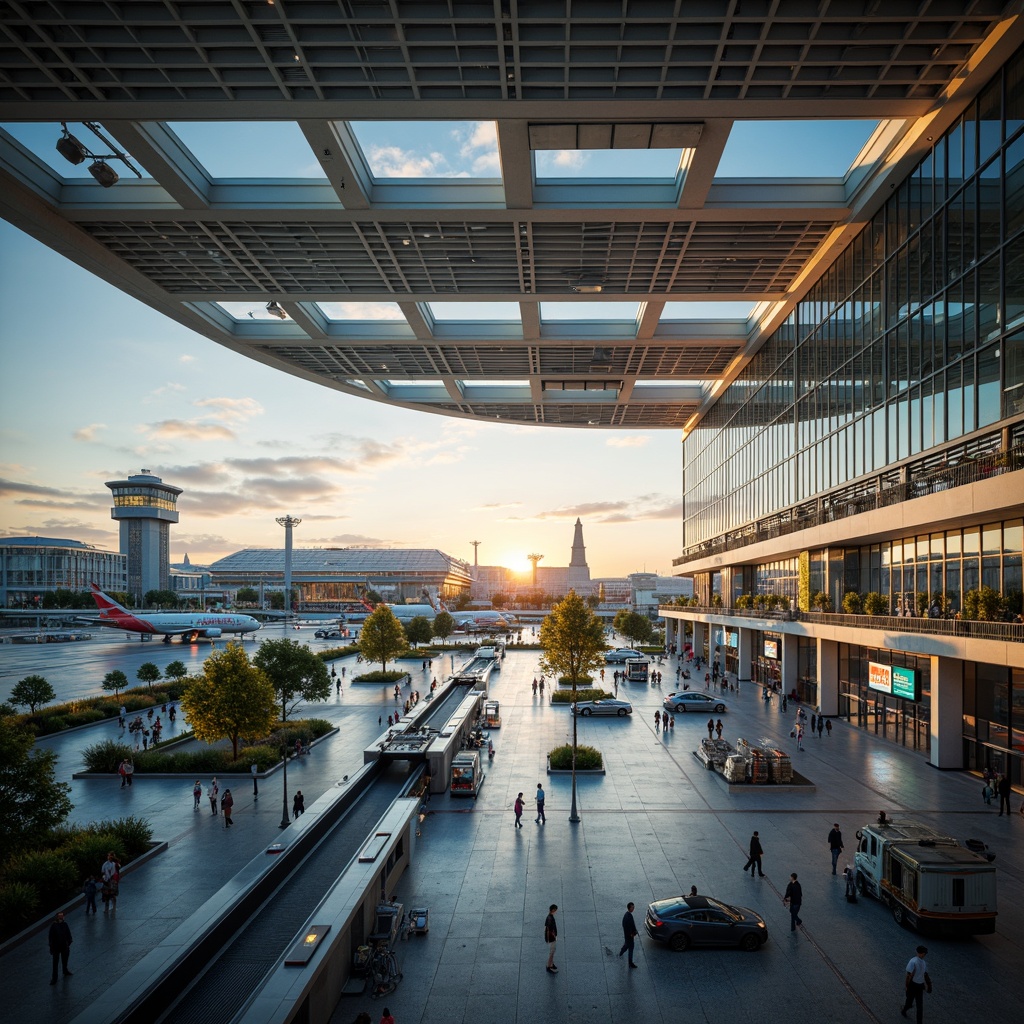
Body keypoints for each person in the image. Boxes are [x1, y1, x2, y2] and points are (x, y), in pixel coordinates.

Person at [901, 945, 932, 1022]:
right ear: (920, 953)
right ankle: (904, 1010)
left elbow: (925, 974)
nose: (925, 955)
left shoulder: (923, 962)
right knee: (909, 1002)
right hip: (913, 985)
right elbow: (908, 975)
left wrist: (929, 984)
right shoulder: (913, 961)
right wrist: (907, 986)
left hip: (919, 986)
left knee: (919, 1006)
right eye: (924, 953)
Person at [48, 911, 73, 985]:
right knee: (55, 963)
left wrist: (68, 942)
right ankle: (54, 978)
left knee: (64, 960)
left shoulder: (65, 924)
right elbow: (51, 938)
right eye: (60, 916)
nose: (62, 917)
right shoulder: (53, 926)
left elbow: (68, 934)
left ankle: (65, 970)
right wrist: (52, 947)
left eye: (62, 916)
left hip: (64, 946)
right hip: (56, 947)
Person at [618, 902, 639, 967]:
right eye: (632, 907)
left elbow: (624, 925)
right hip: (630, 936)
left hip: (627, 936)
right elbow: (630, 926)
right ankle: (630, 963)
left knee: (627, 945)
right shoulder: (629, 917)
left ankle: (621, 952)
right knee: (631, 948)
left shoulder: (626, 915)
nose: (633, 908)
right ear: (629, 908)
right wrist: (632, 934)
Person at [544, 904, 558, 973]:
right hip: (552, 938)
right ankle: (549, 966)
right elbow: (549, 929)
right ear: (553, 910)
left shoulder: (549, 917)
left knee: (553, 951)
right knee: (552, 951)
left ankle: (551, 964)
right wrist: (554, 936)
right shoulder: (550, 918)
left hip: (552, 937)